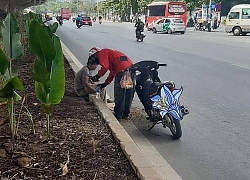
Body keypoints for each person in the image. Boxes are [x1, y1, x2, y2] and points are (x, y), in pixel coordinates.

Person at [90, 48, 135, 120]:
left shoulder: (101, 52)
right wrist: (105, 83)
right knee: (128, 92)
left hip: (122, 70)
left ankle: (118, 115)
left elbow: (105, 67)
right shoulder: (111, 56)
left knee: (119, 93)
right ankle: (125, 114)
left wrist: (97, 76)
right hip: (131, 68)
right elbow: (112, 72)